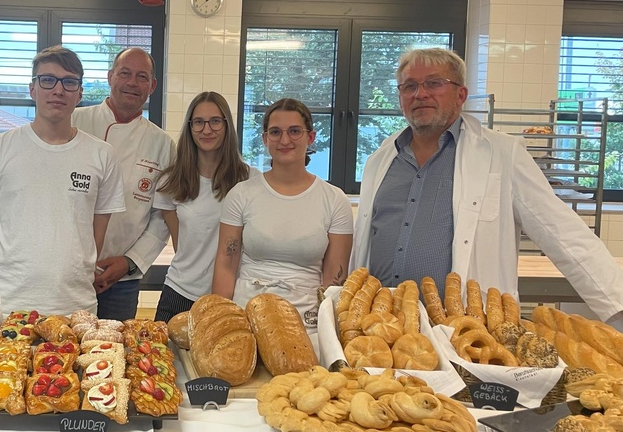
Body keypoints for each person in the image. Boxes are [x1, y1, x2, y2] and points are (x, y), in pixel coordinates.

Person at [352, 47, 623, 325]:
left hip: (464, 327)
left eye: (434, 83)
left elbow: (563, 233)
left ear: (461, 95)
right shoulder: (381, 159)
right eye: (410, 86)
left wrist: (619, 309)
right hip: (381, 325)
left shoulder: (503, 154)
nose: (420, 94)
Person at [0, 46, 125, 315]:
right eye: (48, 80)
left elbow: (95, 236)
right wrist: (7, 282)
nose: (58, 90)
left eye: (69, 82)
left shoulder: (102, 155)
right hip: (9, 304)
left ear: (80, 93)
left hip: (75, 305)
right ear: (32, 89)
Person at [213, 98, 353, 332]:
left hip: (307, 324)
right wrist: (221, 322)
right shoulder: (241, 194)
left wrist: (329, 332)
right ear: (265, 139)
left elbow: (334, 279)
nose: (285, 140)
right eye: (276, 132)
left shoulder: (334, 200)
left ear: (310, 137)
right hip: (246, 317)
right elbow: (226, 265)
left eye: (295, 131)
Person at [72, 47, 175, 321]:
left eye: (142, 77)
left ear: (152, 86)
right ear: (110, 77)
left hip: (121, 281)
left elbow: (162, 217)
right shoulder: (75, 122)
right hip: (66, 271)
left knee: (115, 345)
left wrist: (129, 262)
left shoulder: (162, 144)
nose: (132, 83)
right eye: (125, 73)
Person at [153, 92, 255, 323]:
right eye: (198, 122)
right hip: (180, 294)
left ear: (227, 125)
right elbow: (181, 246)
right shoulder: (171, 182)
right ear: (190, 127)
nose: (206, 130)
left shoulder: (250, 181)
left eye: (215, 121)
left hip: (231, 298)